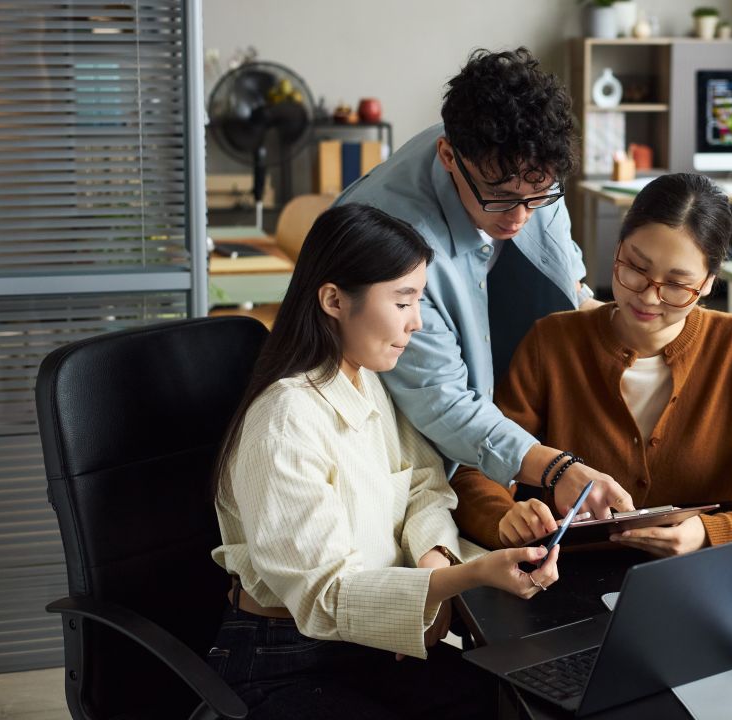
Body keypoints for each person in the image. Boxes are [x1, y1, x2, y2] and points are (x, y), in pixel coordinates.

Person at [207, 204, 561, 719]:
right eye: (402, 301)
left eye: (418, 299)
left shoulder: (366, 378)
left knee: (513, 703)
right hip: (283, 657)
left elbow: (424, 485)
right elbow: (325, 597)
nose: (416, 322)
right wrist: (461, 579)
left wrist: (433, 562)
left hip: (367, 644)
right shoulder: (285, 418)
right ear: (333, 299)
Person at [450, 174, 732, 556]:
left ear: (710, 282)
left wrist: (709, 532)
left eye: (678, 285)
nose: (648, 297)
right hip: (566, 576)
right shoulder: (552, 342)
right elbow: (475, 468)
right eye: (634, 268)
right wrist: (505, 515)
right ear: (617, 247)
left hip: (702, 575)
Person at [334, 48, 634, 522]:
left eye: (539, 196)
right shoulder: (391, 240)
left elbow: (564, 270)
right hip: (406, 436)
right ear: (450, 156)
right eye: (499, 197)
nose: (519, 218)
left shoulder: (528, 161)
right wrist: (556, 467)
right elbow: (441, 402)